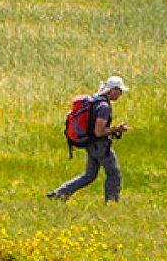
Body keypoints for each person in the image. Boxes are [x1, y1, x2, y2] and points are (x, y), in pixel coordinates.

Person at [49, 75, 130, 203]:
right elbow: (99, 132)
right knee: (114, 173)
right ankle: (112, 202)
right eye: (119, 91)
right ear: (112, 90)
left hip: (91, 144)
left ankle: (59, 194)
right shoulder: (104, 107)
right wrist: (116, 129)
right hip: (100, 146)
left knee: (89, 175)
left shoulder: (96, 100)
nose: (120, 94)